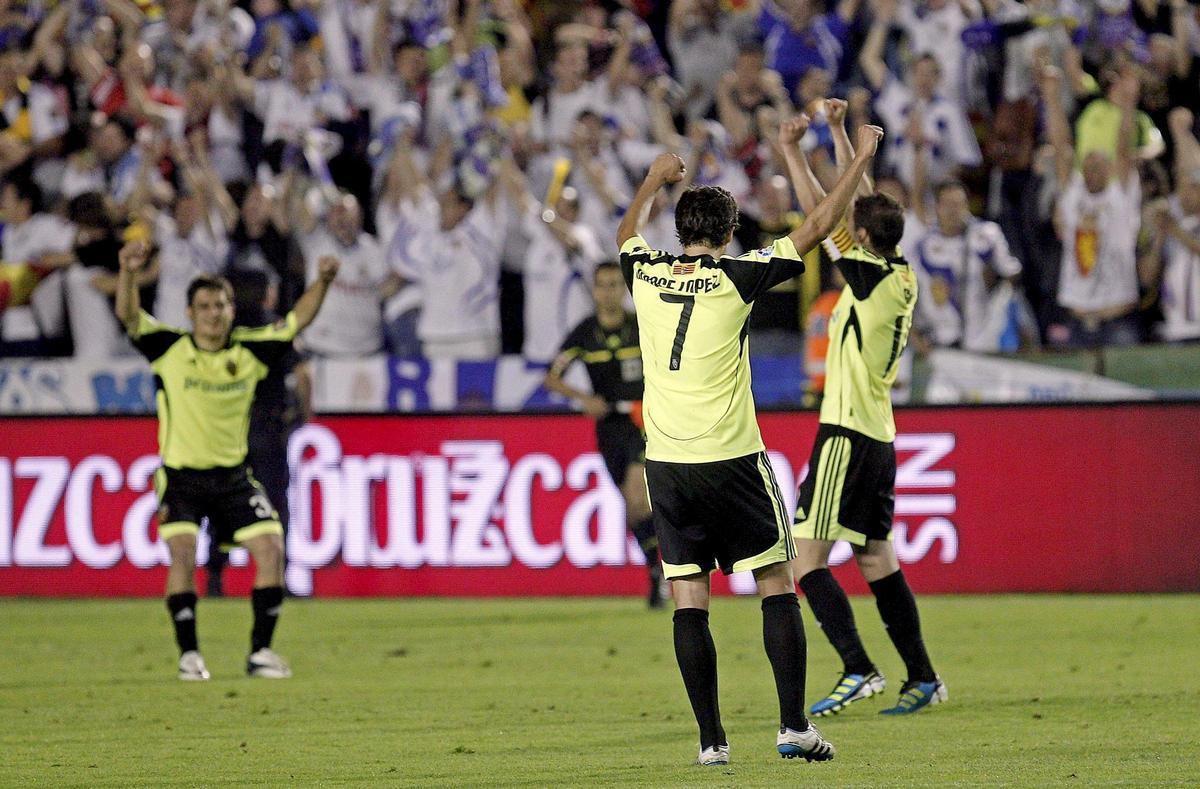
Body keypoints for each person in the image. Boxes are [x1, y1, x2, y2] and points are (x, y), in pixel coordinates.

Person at [616, 120, 884, 765]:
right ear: (730, 233)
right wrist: (863, 156)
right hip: (732, 458)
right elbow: (818, 225)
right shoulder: (738, 275)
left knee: (688, 598)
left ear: (680, 232)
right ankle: (793, 727)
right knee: (776, 583)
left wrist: (652, 177)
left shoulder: (646, 273)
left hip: (668, 464)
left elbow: (624, 234)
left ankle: (711, 744)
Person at [779, 102, 945, 717]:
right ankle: (922, 676)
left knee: (803, 560)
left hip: (846, 435)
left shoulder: (869, 278)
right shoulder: (898, 274)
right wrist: (842, 137)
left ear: (866, 241)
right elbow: (860, 209)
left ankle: (857, 668)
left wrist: (797, 152)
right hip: (879, 435)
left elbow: (825, 219)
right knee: (876, 557)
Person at [113, 238, 339, 681]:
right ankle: (189, 655)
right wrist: (127, 274)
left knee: (272, 547)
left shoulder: (249, 352)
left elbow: (297, 320)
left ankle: (260, 653)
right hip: (182, 478)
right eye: (205, 306)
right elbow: (129, 317)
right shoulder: (169, 348)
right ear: (191, 313)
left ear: (232, 310)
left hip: (234, 477)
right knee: (182, 555)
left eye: (221, 305)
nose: (214, 313)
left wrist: (325, 281)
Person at [543, 262, 662, 608]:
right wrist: (584, 400)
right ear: (594, 291)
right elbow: (552, 376)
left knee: (639, 497)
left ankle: (668, 570)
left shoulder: (640, 327)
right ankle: (657, 568)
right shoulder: (584, 334)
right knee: (632, 510)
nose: (608, 292)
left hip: (642, 422)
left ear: (623, 290)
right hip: (609, 428)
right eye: (602, 286)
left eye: (614, 285)